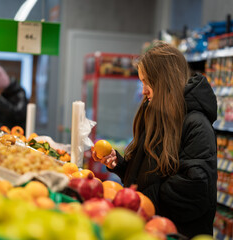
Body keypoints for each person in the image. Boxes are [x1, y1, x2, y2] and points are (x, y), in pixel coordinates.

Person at [92, 42, 217, 238]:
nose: (143, 90)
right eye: (141, 82)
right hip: (148, 228)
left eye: (147, 82)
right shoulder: (154, 114)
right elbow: (148, 174)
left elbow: (195, 190)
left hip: (176, 233)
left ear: (165, 81)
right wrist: (121, 165)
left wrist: (142, 199)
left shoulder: (196, 124)